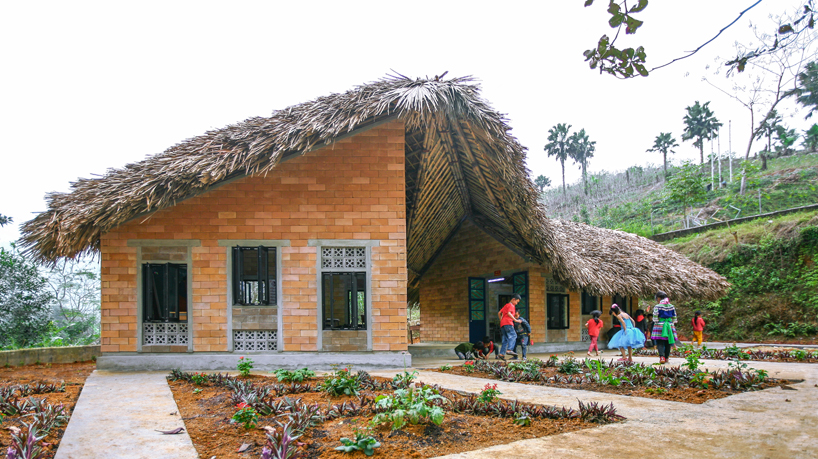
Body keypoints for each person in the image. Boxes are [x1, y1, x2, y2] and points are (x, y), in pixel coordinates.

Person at [650, 291, 677, 364]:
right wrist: (672, 322)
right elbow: (674, 317)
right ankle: (667, 358)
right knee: (668, 342)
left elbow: (655, 317)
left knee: (660, 341)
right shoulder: (671, 306)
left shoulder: (657, 306)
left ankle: (662, 357)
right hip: (669, 325)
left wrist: (657, 321)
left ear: (659, 298)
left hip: (660, 325)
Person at [497, 294, 522, 360]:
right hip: (508, 323)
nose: (516, 303)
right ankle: (509, 349)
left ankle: (501, 354)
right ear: (513, 299)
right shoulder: (511, 305)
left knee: (505, 339)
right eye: (517, 302)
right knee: (513, 336)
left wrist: (501, 320)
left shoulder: (506, 305)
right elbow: (509, 313)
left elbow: (499, 313)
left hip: (503, 324)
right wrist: (516, 320)